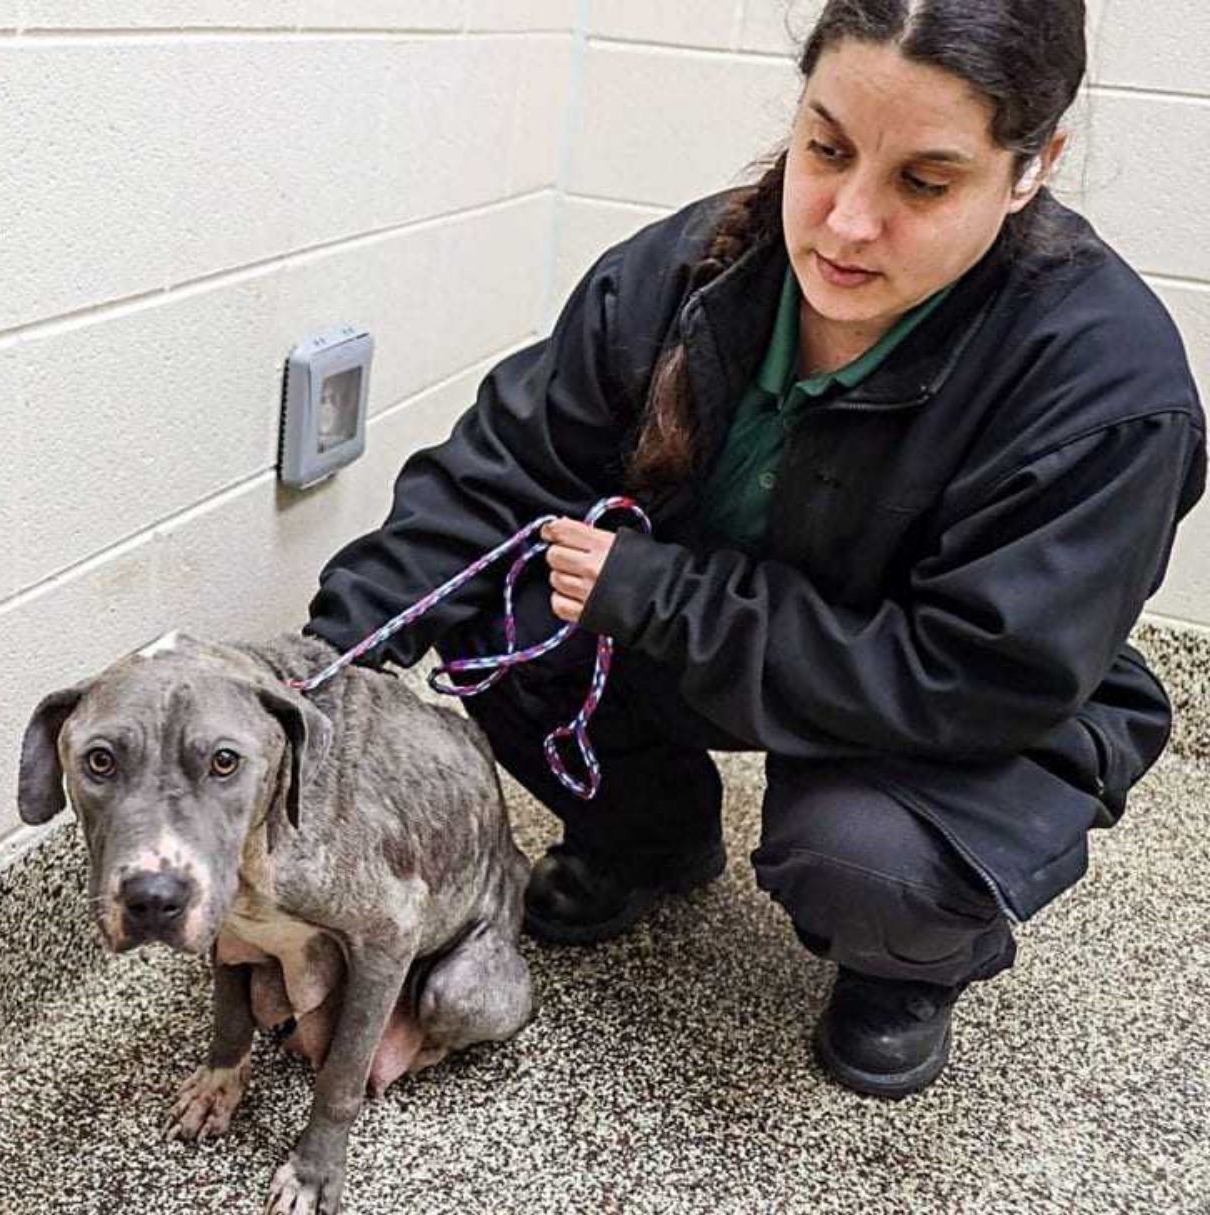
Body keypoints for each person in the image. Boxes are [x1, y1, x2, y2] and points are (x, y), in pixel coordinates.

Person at [303, 0, 1206, 1098]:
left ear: (1030, 168)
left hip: (959, 707)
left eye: (922, 183)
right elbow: (498, 477)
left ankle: (908, 963)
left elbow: (979, 675)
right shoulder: (687, 271)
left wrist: (666, 598)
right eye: (824, 149)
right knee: (501, 610)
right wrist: (312, 679)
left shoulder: (1104, 390)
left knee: (861, 858)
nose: (844, 224)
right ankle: (646, 837)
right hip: (734, 621)